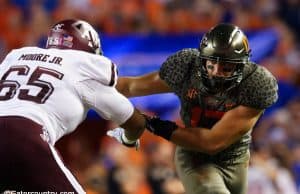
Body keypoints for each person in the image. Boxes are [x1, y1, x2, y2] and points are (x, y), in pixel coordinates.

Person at [108, 23, 279, 194]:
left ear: (242, 66)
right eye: (211, 63)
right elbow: (132, 86)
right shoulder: (188, 69)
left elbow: (212, 142)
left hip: (234, 156)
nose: (216, 72)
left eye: (226, 67)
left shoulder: (256, 85)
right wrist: (98, 85)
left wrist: (152, 123)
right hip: (194, 155)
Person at [0, 19, 146, 193]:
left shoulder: (16, 57)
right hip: (25, 134)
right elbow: (134, 121)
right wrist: (129, 137)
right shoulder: (82, 69)